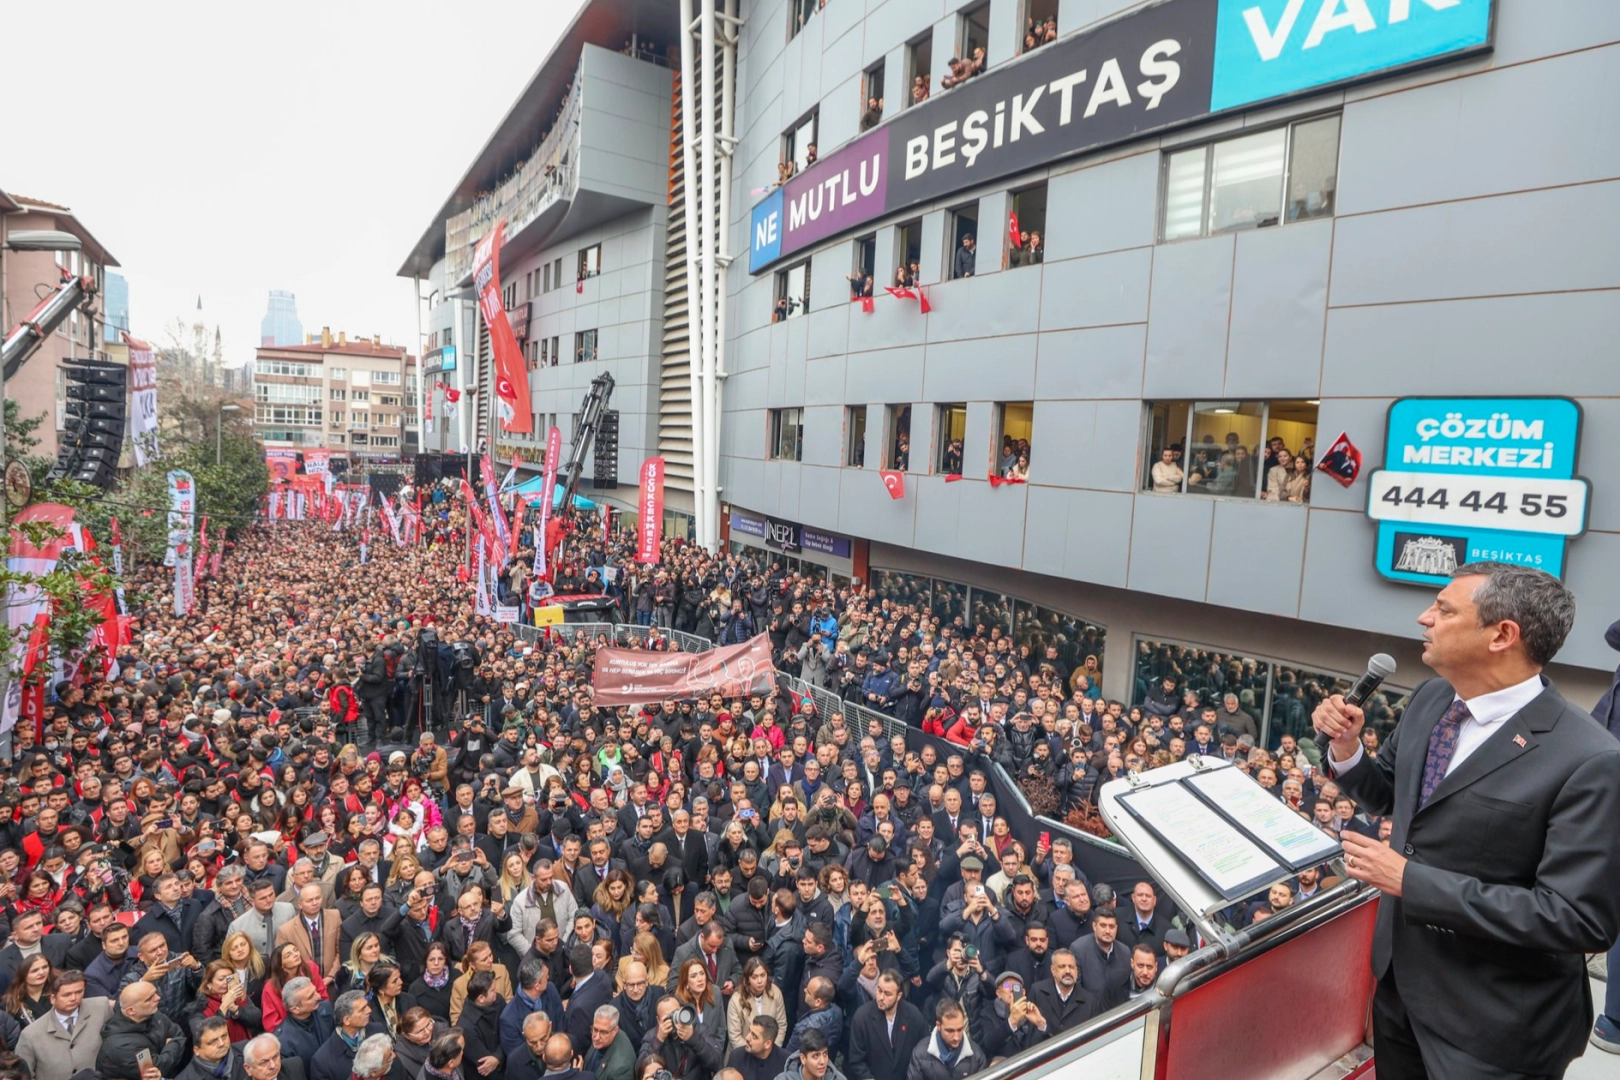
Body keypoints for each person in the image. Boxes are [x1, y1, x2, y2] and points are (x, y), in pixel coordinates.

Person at [1313, 562, 1620, 1079]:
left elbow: (1575, 919)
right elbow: (1389, 793)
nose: (1423, 618)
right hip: (1400, 992)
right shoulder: (1433, 699)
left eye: (1444, 609)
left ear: (1503, 635)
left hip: (1495, 1026)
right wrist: (1346, 751)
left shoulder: (1589, 759)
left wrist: (1412, 881)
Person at [15, 970, 114, 1080]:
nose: (73, 998)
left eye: (79, 992)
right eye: (67, 995)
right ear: (53, 998)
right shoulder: (31, 1034)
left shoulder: (101, 1008)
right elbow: (22, 1075)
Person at [97, 981, 188, 1080]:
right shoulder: (121, 1046)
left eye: (155, 993)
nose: (158, 998)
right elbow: (159, 1068)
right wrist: (172, 1046)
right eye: (149, 998)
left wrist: (168, 1047)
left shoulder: (152, 1013)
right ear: (131, 1011)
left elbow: (178, 1034)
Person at [845, 970, 924, 1080]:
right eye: (879, 990)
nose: (881, 997)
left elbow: (923, 1051)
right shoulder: (862, 1017)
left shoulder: (913, 1015)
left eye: (887, 994)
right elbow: (856, 1060)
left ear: (899, 996)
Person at [905, 1000, 985, 1080]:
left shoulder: (976, 1056)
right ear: (938, 1025)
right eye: (950, 1031)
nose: (956, 1037)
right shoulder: (920, 1054)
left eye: (960, 1029)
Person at [583, 1004, 635, 1080]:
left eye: (603, 1033)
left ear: (615, 1030)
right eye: (595, 1030)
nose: (596, 1037)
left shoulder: (620, 1068)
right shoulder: (606, 1032)